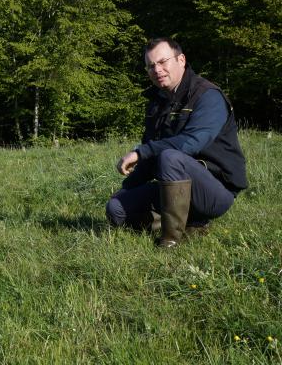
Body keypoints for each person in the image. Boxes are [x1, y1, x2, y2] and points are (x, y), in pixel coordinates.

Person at [105, 37, 248, 247]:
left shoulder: (207, 96)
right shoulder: (158, 102)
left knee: (170, 156)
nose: (157, 69)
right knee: (116, 208)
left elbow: (192, 143)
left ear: (181, 60)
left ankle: (170, 240)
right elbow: (150, 156)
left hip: (214, 191)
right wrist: (126, 190)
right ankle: (190, 225)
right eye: (151, 66)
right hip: (172, 187)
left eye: (163, 62)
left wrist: (139, 152)